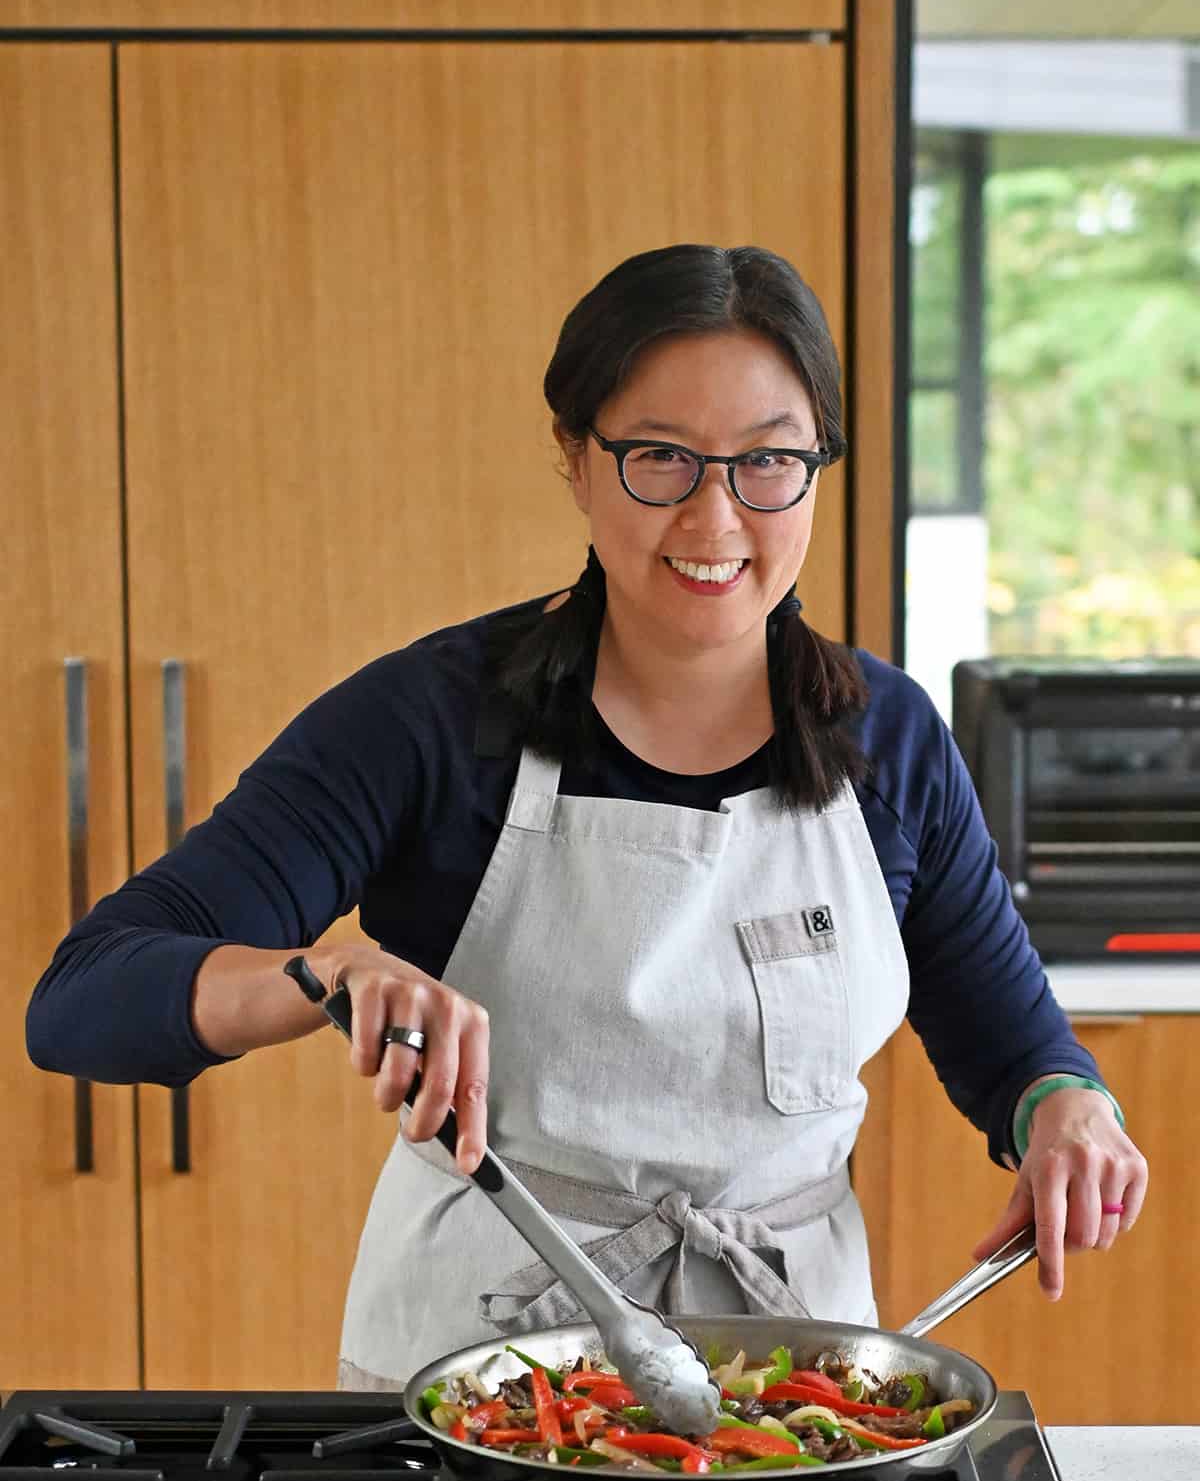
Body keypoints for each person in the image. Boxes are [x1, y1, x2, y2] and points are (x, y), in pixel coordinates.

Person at [27, 243, 1148, 1393]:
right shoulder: (429, 723)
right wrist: (326, 977)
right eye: (660, 458)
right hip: (479, 1385)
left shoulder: (890, 742)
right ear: (574, 455)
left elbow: (1018, 1052)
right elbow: (82, 998)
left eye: (769, 462)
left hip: (800, 1391)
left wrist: (1068, 1111)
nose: (717, 518)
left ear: (817, 468)